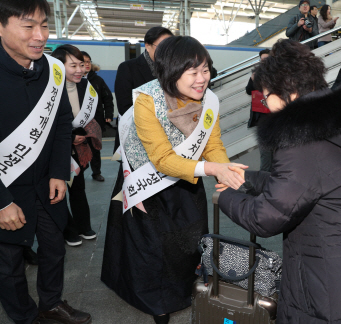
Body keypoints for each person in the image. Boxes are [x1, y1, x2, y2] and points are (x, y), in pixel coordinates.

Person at [216, 39, 341, 323]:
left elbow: (267, 217)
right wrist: (247, 177)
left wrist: (225, 197)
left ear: (290, 93)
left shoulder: (300, 137)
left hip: (337, 288)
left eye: (267, 94)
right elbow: (307, 183)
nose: (265, 103)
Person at [101, 36, 248, 324]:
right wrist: (213, 170)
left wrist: (224, 168)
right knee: (151, 248)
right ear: (170, 71)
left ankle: (181, 291)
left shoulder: (209, 100)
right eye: (192, 72)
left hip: (187, 182)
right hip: (148, 184)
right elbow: (162, 159)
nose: (201, 79)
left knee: (186, 243)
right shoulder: (147, 99)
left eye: (205, 70)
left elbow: (212, 144)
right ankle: (156, 303)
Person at [0, 1, 91, 323]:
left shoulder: (51, 69)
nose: (40, 36)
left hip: (45, 185)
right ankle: (24, 316)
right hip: (6, 190)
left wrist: (57, 172)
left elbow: (61, 124)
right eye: (28, 26)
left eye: (44, 25)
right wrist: (2, 202)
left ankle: (51, 303)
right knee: (8, 263)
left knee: (54, 249)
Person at [51, 45, 102, 247]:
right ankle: (68, 229)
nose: (79, 69)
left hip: (79, 148)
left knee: (78, 188)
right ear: (59, 66)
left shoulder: (85, 86)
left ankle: (84, 226)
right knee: (58, 191)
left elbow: (91, 116)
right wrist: (69, 136)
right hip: (57, 149)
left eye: (82, 64)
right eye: (73, 65)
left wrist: (83, 134)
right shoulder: (50, 87)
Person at [81, 51, 114, 182]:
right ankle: (81, 170)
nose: (87, 64)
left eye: (88, 61)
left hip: (95, 119)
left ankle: (96, 172)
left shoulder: (97, 80)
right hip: (79, 122)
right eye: (83, 62)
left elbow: (107, 98)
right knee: (80, 146)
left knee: (95, 147)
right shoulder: (72, 79)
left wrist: (109, 114)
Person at [245, 49, 272, 172]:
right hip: (261, 117)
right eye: (262, 60)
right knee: (265, 152)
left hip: (275, 117)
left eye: (266, 59)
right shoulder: (256, 72)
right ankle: (265, 179)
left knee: (277, 152)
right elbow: (249, 90)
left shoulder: (278, 72)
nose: (264, 62)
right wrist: (252, 78)